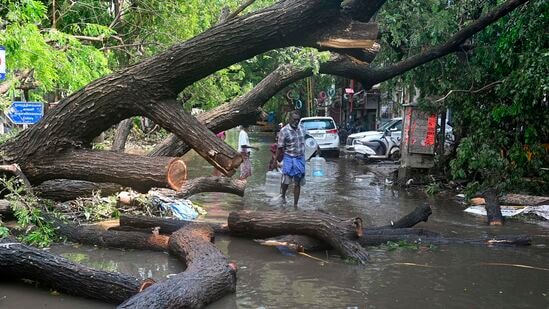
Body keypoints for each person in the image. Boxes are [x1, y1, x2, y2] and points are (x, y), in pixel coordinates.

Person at [276, 110, 307, 207]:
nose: (296, 122)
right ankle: (283, 196)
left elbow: (307, 139)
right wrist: (276, 161)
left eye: (298, 120)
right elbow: (280, 148)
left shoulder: (302, 129)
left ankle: (295, 205)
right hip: (289, 158)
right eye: (294, 119)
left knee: (297, 182)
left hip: (300, 158)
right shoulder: (284, 131)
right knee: (286, 181)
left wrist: (316, 147)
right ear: (289, 119)